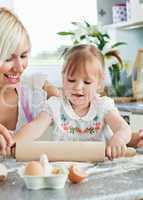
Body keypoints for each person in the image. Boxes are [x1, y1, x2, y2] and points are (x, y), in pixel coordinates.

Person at [6, 44, 132, 160]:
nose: (78, 87)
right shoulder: (55, 105)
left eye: (87, 82)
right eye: (71, 80)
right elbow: (35, 127)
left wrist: (119, 139)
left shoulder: (103, 106)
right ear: (63, 77)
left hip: (101, 168)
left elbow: (123, 128)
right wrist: (13, 140)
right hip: (63, 171)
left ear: (99, 83)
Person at [0, 7, 47, 155]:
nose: (19, 68)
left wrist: (121, 130)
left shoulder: (35, 88)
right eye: (8, 58)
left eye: (23, 56)